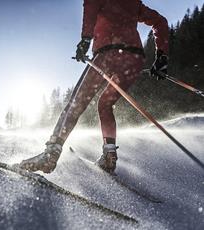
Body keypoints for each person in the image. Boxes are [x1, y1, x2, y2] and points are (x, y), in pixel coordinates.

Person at [18, 0, 169, 174]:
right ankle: (109, 155)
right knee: (105, 104)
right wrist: (162, 57)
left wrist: (85, 40)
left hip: (108, 53)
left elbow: (90, 7)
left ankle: (51, 153)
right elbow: (160, 21)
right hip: (133, 60)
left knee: (76, 103)